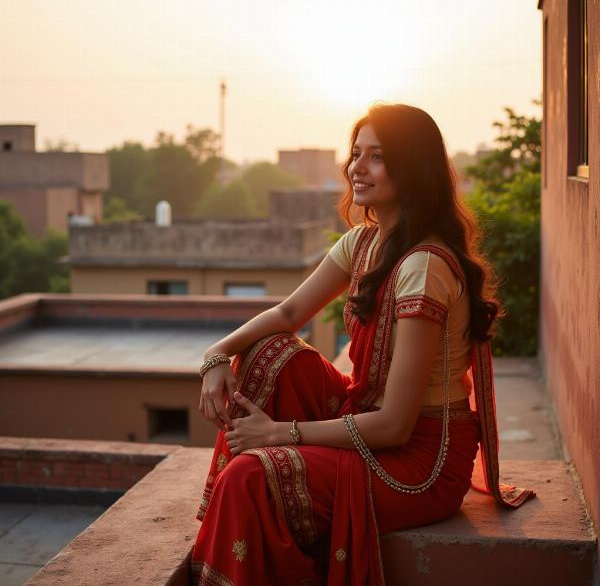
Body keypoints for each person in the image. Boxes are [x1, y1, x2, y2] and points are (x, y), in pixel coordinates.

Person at [190, 103, 535, 585]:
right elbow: (288, 314)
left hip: (420, 461)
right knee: (270, 353)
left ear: (412, 167)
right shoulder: (365, 243)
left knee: (251, 478)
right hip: (369, 420)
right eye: (356, 153)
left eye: (377, 156)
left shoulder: (425, 268)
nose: (357, 167)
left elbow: (395, 425)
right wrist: (214, 355)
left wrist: (279, 434)